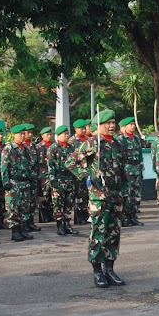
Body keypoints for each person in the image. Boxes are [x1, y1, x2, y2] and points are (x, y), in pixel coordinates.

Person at [68, 109, 126, 288]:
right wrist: (87, 176)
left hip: (115, 196)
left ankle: (109, 268)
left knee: (113, 234)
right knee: (98, 234)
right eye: (107, 123)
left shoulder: (116, 144)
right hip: (99, 197)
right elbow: (70, 162)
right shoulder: (92, 143)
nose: (111, 126)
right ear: (99, 126)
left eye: (113, 122)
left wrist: (125, 191)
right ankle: (97, 271)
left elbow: (121, 170)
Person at [1, 124, 34, 242]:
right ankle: (15, 231)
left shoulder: (25, 148)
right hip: (13, 182)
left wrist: (30, 177)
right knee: (13, 207)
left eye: (24, 134)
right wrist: (6, 182)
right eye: (21, 134)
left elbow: (29, 165)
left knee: (24, 207)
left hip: (24, 182)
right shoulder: (9, 148)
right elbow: (4, 166)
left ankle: (22, 228)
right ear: (14, 135)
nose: (23, 136)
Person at [48, 125, 77, 235]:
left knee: (69, 203)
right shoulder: (53, 148)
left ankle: (67, 224)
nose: (67, 135)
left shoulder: (71, 148)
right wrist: (52, 179)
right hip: (58, 179)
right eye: (64, 134)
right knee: (58, 204)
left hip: (69, 178)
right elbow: (50, 165)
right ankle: (60, 226)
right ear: (58, 135)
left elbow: (75, 163)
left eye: (67, 133)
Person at [118, 117, 145, 226]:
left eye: (134, 124)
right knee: (127, 195)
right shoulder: (121, 139)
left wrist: (141, 166)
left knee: (136, 194)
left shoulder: (137, 138)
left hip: (136, 169)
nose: (133, 126)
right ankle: (125, 217)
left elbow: (140, 154)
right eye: (131, 124)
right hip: (127, 170)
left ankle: (133, 216)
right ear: (124, 127)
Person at [70, 119, 92, 224]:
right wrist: (79, 172)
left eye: (84, 128)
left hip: (89, 171)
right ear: (75, 129)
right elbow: (71, 160)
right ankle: (79, 217)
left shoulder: (89, 140)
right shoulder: (72, 141)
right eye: (80, 128)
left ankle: (86, 214)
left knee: (87, 195)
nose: (83, 130)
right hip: (78, 173)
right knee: (78, 196)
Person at [23, 123, 41, 232]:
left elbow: (37, 162)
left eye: (31, 133)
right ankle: (25, 223)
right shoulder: (21, 146)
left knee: (32, 200)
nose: (29, 135)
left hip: (33, 176)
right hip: (24, 177)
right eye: (27, 133)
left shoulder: (33, 145)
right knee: (25, 201)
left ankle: (30, 222)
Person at [36, 126, 54, 223]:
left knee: (51, 194)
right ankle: (43, 216)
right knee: (43, 195)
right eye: (47, 134)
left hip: (51, 173)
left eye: (50, 134)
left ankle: (51, 214)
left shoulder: (53, 146)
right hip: (42, 174)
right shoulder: (38, 147)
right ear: (42, 136)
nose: (49, 136)